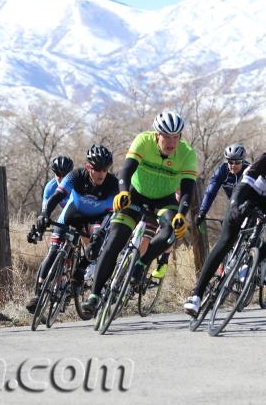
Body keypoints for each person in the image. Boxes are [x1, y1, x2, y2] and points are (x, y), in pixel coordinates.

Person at [82, 112, 198, 317]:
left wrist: (182, 213)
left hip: (164, 200)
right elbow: (126, 170)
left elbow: (188, 189)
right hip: (136, 195)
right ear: (156, 135)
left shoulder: (187, 153)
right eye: (166, 137)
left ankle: (141, 263)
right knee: (115, 241)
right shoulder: (143, 141)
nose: (171, 142)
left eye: (176, 137)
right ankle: (95, 295)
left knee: (172, 231)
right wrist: (124, 191)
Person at [26, 145, 118, 313]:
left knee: (97, 241)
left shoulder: (112, 184)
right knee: (54, 250)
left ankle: (80, 270)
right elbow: (57, 196)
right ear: (88, 166)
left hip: (96, 219)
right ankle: (39, 294)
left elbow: (113, 212)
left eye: (105, 170)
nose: (101, 174)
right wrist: (44, 215)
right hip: (73, 214)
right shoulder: (75, 176)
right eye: (97, 169)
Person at [184, 153, 266, 316]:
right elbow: (243, 185)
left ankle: (253, 263)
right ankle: (197, 295)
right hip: (247, 195)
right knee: (226, 240)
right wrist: (235, 204)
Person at [195, 143, 250, 228]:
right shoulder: (222, 171)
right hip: (234, 205)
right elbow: (210, 193)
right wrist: (202, 212)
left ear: (242, 161)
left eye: (237, 162)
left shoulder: (249, 170)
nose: (233, 165)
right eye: (230, 162)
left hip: (250, 204)